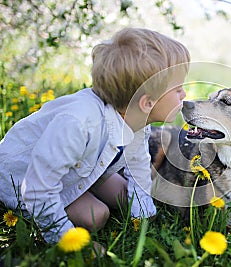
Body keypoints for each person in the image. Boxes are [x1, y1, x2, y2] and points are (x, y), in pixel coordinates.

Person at [0, 28, 190, 250]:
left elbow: (138, 167)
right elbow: (36, 188)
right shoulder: (78, 123)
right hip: (20, 178)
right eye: (178, 89)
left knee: (124, 195)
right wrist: (67, 242)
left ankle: (88, 191)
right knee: (97, 215)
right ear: (147, 103)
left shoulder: (136, 119)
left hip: (79, 170)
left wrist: (145, 218)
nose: (184, 95)